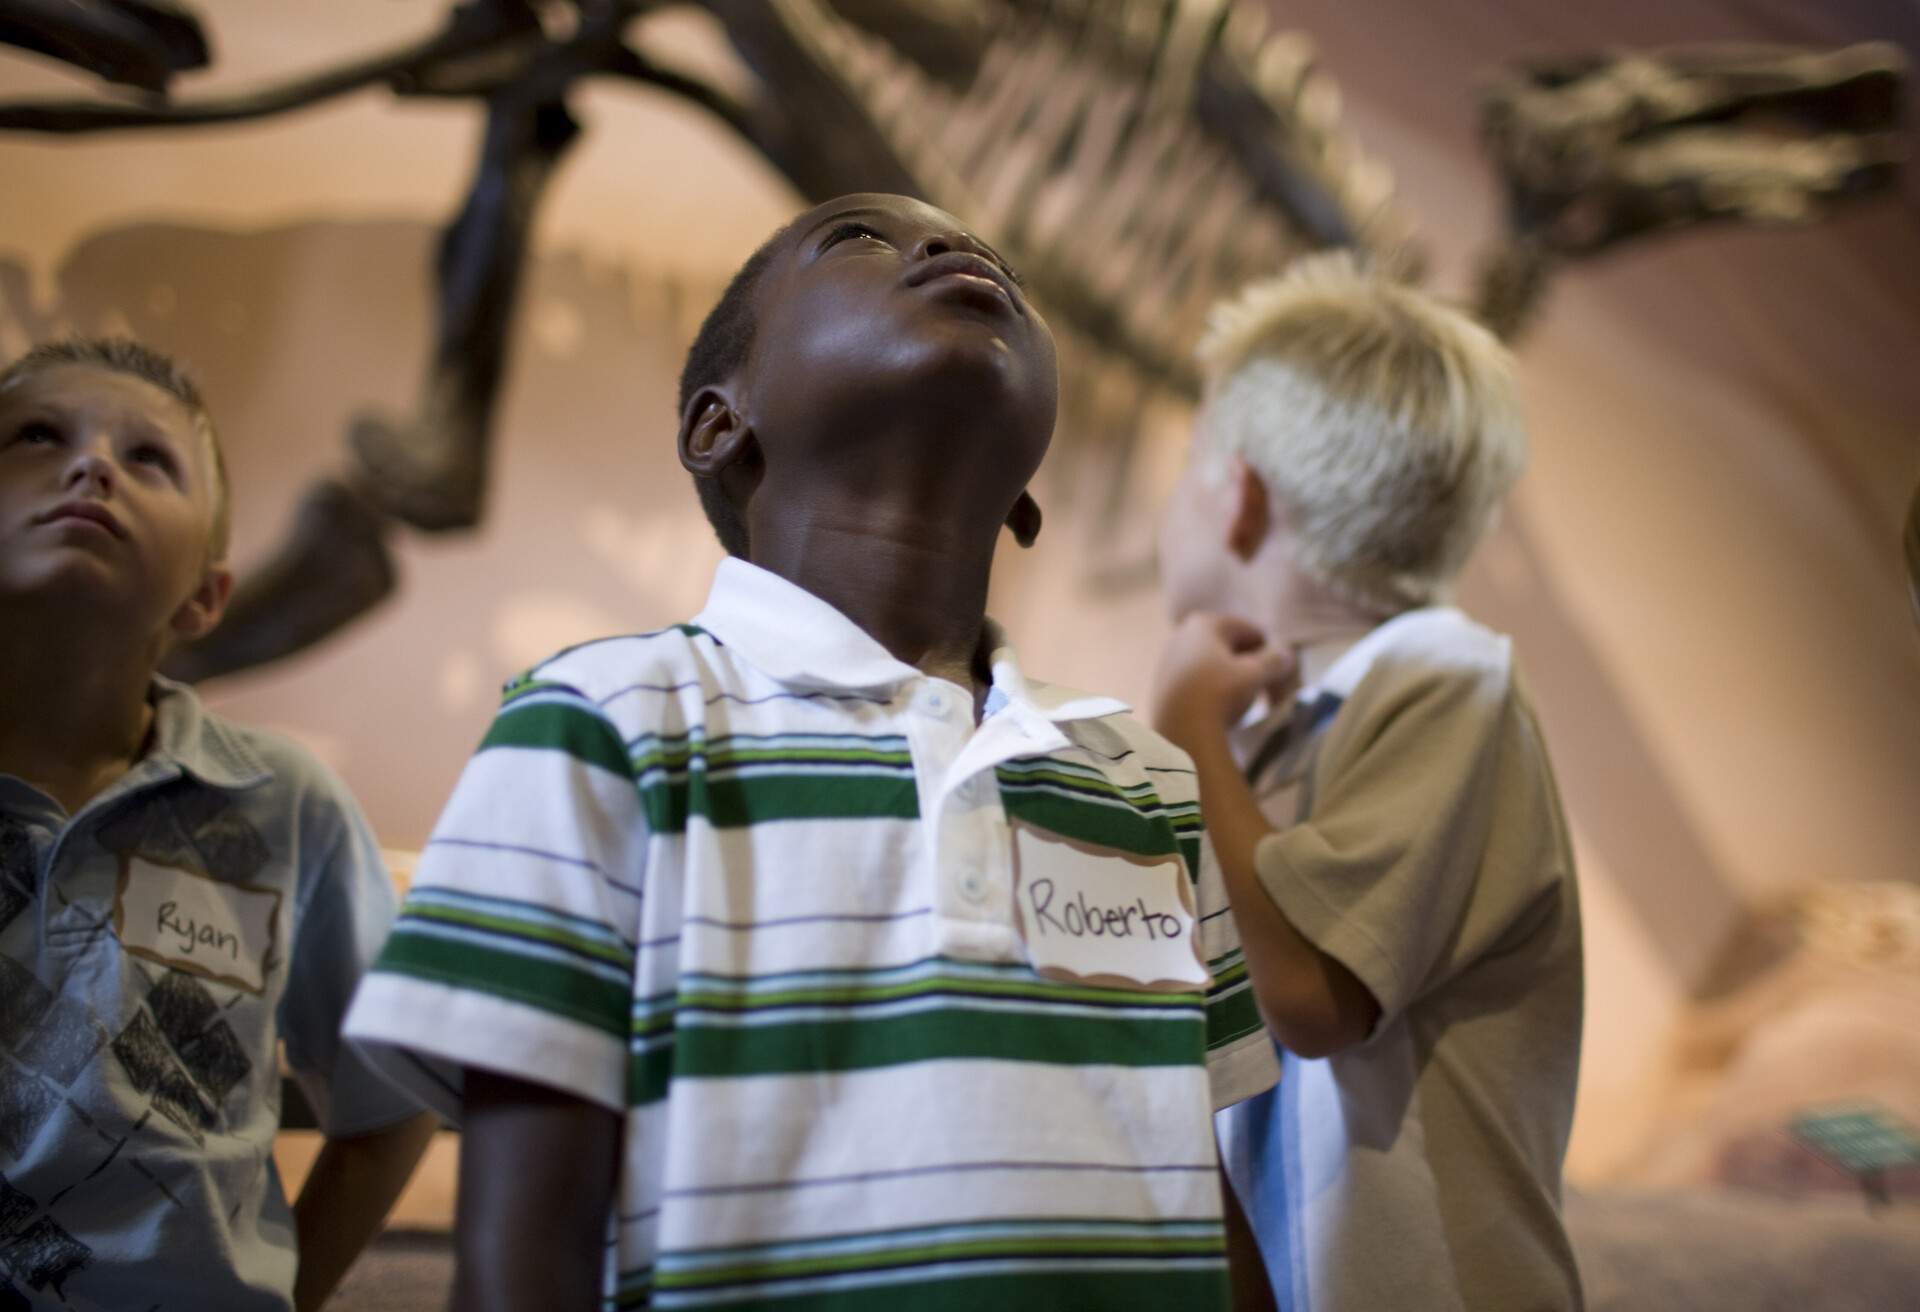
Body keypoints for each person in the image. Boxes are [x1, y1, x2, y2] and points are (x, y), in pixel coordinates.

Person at [343, 192, 1279, 1311]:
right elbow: (518, 1257)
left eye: (999, 270)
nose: (955, 248)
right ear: (717, 425)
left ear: (1025, 497)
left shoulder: (1147, 780)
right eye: (860, 239)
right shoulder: (596, 723)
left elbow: (1199, 1192)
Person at [1151, 253, 1586, 1310]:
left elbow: (1309, 997)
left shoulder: (1444, 677)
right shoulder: (1264, 744)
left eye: (1188, 461)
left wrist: (1181, 733)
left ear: (1240, 497)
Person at [0, 338, 438, 1311]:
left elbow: (395, 1098)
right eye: (36, 435)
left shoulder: (283, 803)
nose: (93, 465)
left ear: (206, 593)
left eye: (148, 457)